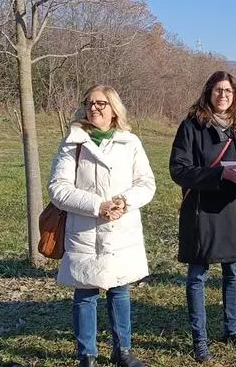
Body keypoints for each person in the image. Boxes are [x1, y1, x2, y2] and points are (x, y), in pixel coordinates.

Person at [48, 85, 156, 367]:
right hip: (85, 230)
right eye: (90, 102)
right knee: (85, 292)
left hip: (121, 229)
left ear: (114, 109)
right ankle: (88, 356)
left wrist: (124, 200)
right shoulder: (73, 142)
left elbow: (146, 183)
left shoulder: (130, 142)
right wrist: (98, 206)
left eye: (101, 103)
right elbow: (58, 189)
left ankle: (123, 352)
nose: (94, 108)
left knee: (120, 289)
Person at [169, 70, 236, 363]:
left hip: (233, 211)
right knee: (198, 276)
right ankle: (200, 339)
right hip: (202, 212)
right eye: (218, 90)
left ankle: (232, 330)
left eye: (229, 91)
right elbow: (178, 169)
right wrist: (220, 173)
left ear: (235, 96)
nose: (223, 95)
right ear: (208, 92)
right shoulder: (191, 127)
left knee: (233, 274)